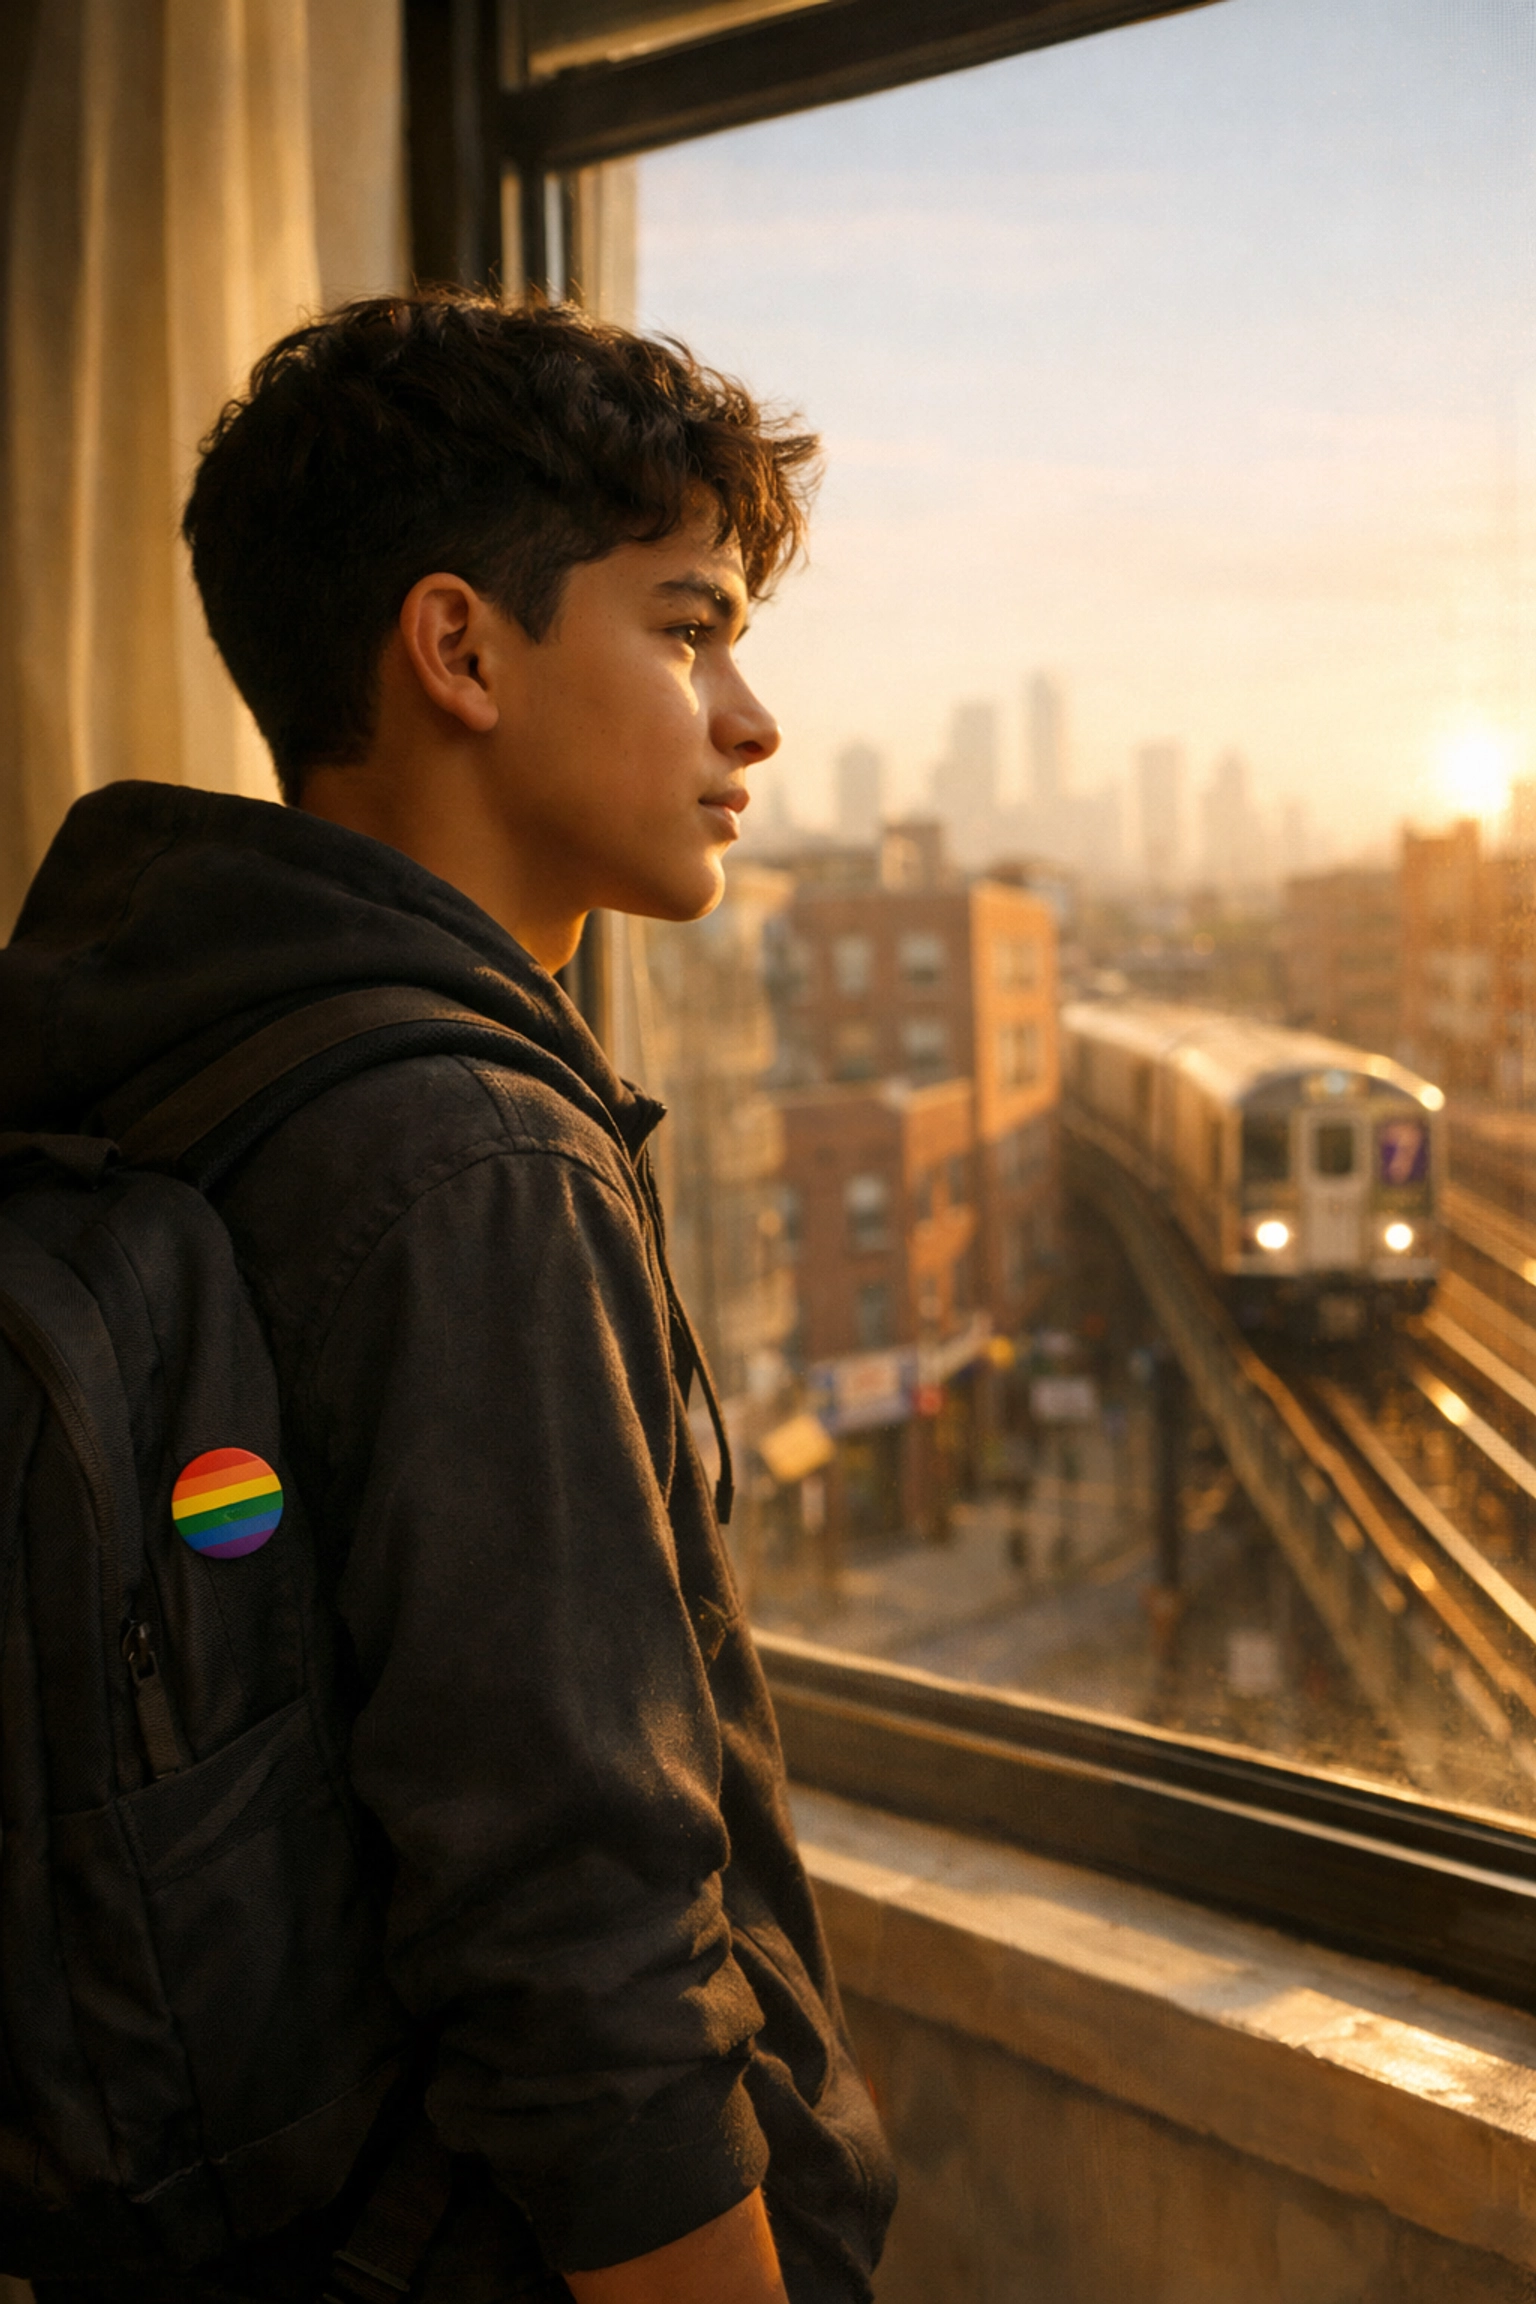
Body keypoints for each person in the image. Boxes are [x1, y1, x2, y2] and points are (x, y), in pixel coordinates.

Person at [0, 295, 895, 2303]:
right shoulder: (472, 1158)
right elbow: (579, 1946)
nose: (749, 717)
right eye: (686, 628)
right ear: (459, 650)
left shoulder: (165, 1053)